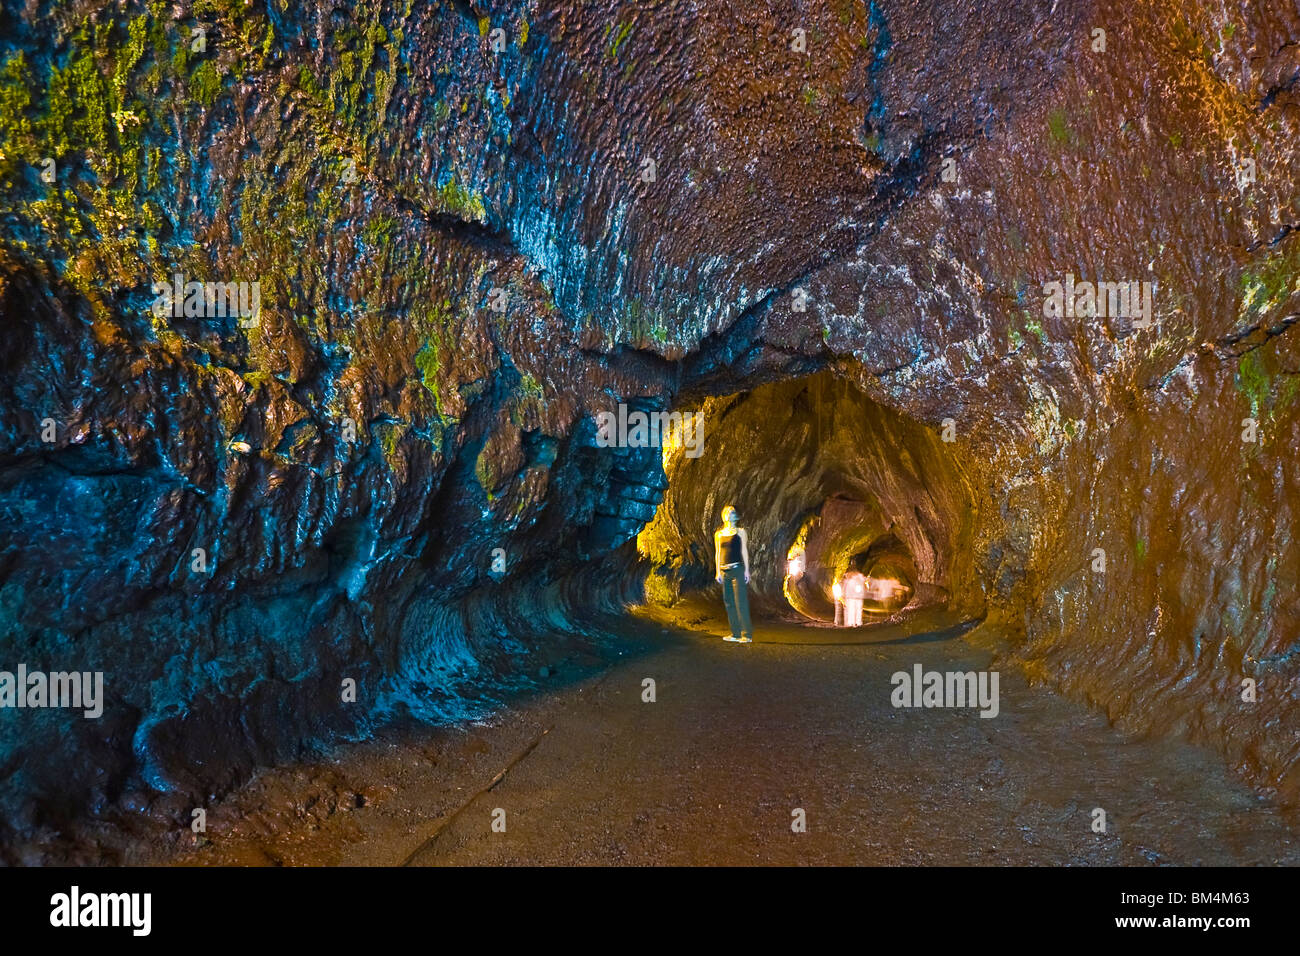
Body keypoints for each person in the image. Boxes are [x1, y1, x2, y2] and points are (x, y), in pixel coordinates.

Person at [714, 505, 753, 643]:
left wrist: (747, 570)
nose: (728, 514)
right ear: (723, 515)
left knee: (740, 602)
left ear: (735, 516)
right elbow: (718, 553)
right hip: (725, 571)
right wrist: (718, 571)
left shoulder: (740, 532)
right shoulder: (719, 534)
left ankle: (746, 635)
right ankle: (735, 634)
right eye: (726, 512)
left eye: (731, 512)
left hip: (737, 569)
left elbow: (744, 551)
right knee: (729, 602)